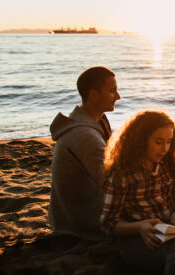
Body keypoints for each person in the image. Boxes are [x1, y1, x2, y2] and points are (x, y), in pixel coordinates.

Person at [100, 110, 175, 275]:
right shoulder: (122, 174)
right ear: (141, 140)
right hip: (138, 239)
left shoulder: (170, 164)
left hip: (170, 230)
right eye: (158, 142)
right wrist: (140, 227)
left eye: (169, 142)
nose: (165, 148)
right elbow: (107, 222)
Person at [47, 66, 120, 235]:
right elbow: (113, 181)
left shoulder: (94, 121)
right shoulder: (84, 135)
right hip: (79, 224)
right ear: (94, 95)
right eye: (112, 91)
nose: (118, 96)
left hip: (77, 212)